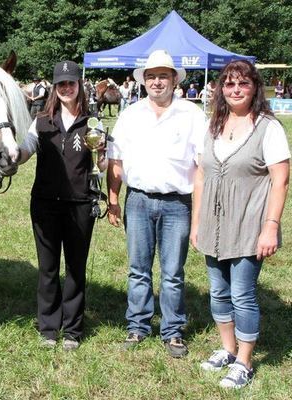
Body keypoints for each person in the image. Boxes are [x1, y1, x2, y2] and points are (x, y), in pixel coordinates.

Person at [191, 60, 290, 389]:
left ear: (254, 88)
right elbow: (201, 175)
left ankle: (245, 362)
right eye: (229, 84)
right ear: (220, 88)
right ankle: (228, 349)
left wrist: (271, 226)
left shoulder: (268, 128)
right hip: (213, 225)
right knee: (218, 292)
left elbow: (280, 181)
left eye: (242, 84)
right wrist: (196, 223)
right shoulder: (214, 125)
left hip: (249, 224)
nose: (235, 90)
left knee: (242, 294)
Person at [106, 49, 206, 358]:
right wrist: (113, 198)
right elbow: (115, 160)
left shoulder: (192, 115)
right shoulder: (130, 115)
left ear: (175, 80)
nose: (157, 82)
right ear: (143, 81)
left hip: (178, 203)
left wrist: (199, 217)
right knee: (138, 269)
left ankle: (173, 330)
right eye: (151, 76)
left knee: (173, 272)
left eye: (163, 76)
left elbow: (202, 169)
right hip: (137, 200)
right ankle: (137, 326)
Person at [17, 60, 107, 351]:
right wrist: (11, 155)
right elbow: (26, 150)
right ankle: (48, 327)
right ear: (55, 88)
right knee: (47, 267)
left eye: (71, 83)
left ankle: (73, 329)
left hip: (81, 203)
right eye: (61, 84)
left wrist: (104, 153)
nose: (67, 88)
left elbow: (103, 165)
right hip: (45, 203)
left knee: (76, 267)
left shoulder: (93, 122)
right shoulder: (41, 120)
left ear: (79, 86)